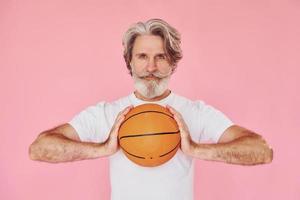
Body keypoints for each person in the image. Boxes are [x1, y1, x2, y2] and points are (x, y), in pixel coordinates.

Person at [29, 18, 273, 200]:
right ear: (130, 61)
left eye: (161, 57)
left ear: (173, 63)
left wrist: (196, 149)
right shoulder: (106, 113)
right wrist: (103, 148)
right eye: (142, 56)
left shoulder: (195, 112)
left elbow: (262, 151)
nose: (151, 67)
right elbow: (39, 149)